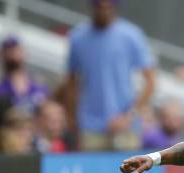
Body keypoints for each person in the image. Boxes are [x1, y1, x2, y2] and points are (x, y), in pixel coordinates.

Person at [66, 0, 155, 151]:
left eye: (108, 7)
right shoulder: (78, 37)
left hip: (125, 126)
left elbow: (150, 81)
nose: (104, 10)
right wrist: (73, 118)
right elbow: (72, 82)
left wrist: (129, 116)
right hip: (91, 125)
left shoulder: (131, 35)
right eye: (100, 6)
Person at [0, 36, 49, 113]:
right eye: (8, 51)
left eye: (16, 50)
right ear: (2, 55)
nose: (12, 54)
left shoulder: (39, 86)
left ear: (24, 53)